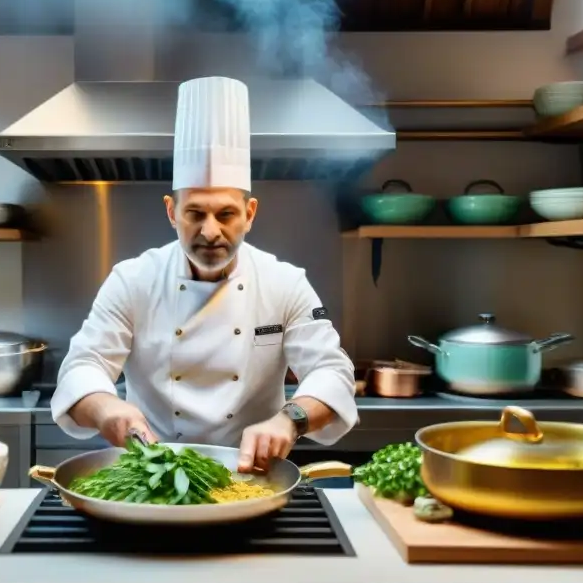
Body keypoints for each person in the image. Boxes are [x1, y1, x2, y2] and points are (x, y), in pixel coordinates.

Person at [50, 76, 358, 472]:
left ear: (249, 214)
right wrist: (108, 409)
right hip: (150, 475)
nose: (210, 230)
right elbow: (82, 365)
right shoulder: (132, 280)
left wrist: (290, 419)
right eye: (195, 213)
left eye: (226, 213)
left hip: (251, 479)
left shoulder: (284, 283)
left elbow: (331, 370)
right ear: (170, 212)